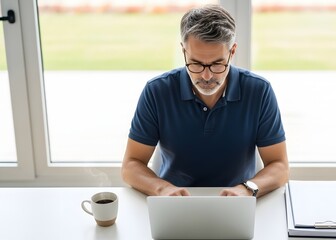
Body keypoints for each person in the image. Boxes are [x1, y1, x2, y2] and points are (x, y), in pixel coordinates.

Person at [121, 4, 289, 198]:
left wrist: (247, 189)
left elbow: (280, 166)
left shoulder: (259, 91)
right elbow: (131, 165)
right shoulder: (157, 91)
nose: (207, 76)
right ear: (184, 51)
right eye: (197, 64)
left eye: (217, 64)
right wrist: (162, 189)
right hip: (175, 203)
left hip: (238, 203)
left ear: (232, 52)